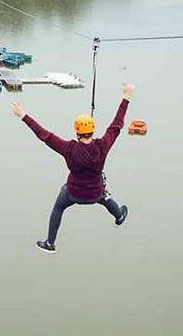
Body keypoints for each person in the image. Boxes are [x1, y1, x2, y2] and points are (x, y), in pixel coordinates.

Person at [12, 83, 135, 253]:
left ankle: (50, 243)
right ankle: (119, 216)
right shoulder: (103, 145)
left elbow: (45, 135)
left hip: (73, 193)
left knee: (58, 207)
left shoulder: (69, 148)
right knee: (105, 196)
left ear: (76, 131)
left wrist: (23, 115)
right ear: (92, 130)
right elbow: (116, 125)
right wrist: (126, 96)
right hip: (95, 193)